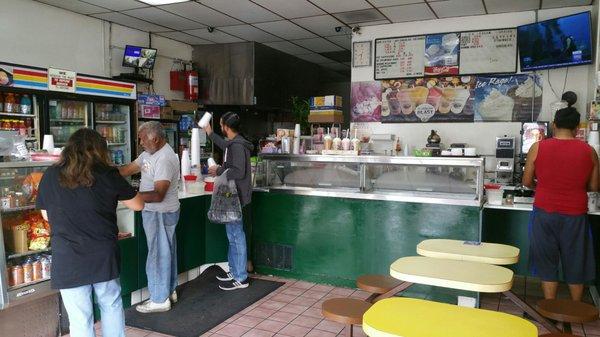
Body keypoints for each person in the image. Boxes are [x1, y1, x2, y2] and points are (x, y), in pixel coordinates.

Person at [36, 129, 144, 337]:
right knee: (110, 305)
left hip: (68, 256)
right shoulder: (107, 173)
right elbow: (138, 205)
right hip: (102, 253)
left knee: (80, 318)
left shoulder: (50, 174)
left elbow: (46, 215)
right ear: (100, 150)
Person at [523, 103, 599, 301]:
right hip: (575, 214)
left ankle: (550, 308)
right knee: (576, 259)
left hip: (544, 212)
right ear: (576, 128)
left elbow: (526, 181)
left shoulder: (538, 147)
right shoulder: (589, 151)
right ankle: (576, 307)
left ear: (554, 125)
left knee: (547, 260)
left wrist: (541, 186)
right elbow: (594, 186)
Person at [119, 121, 180, 312]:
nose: (140, 142)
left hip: (161, 213)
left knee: (158, 255)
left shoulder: (164, 158)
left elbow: (158, 194)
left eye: (143, 138)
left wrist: (128, 198)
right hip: (155, 213)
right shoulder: (148, 154)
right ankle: (169, 291)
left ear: (155, 138)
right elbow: (127, 170)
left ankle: (159, 299)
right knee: (165, 252)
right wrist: (103, 173)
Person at [202, 112, 253, 290]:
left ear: (226, 127)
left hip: (235, 197)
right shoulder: (235, 143)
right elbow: (224, 145)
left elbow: (238, 171)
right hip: (234, 195)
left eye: (221, 125)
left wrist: (218, 171)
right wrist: (209, 132)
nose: (220, 127)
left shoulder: (237, 146)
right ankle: (235, 270)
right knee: (232, 235)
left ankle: (241, 277)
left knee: (236, 236)